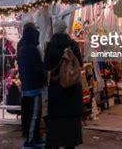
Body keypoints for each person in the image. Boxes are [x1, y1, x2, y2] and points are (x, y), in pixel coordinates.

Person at [44, 20, 83, 149]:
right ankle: (70, 144)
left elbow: (47, 66)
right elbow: (79, 65)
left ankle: (55, 142)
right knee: (70, 120)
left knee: (56, 119)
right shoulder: (73, 44)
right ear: (66, 29)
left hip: (56, 88)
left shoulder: (50, 46)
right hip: (72, 88)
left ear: (55, 29)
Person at [17, 23, 45, 147]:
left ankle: (34, 137)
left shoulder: (21, 47)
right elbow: (38, 67)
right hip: (33, 86)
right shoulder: (32, 48)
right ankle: (30, 140)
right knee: (34, 114)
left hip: (26, 85)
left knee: (30, 113)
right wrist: (43, 80)